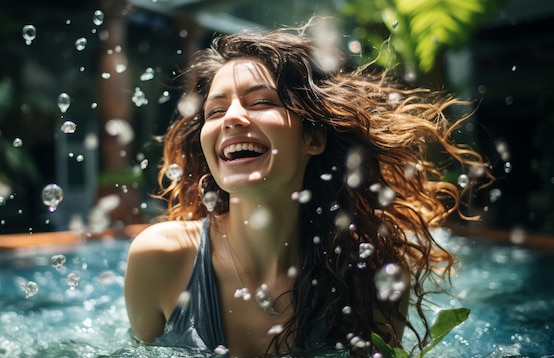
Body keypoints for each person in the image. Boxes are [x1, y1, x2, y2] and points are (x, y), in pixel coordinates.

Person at [124, 20, 492, 357]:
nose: (233, 117)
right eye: (215, 111)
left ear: (313, 136)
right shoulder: (161, 259)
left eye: (262, 102)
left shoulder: (370, 275)